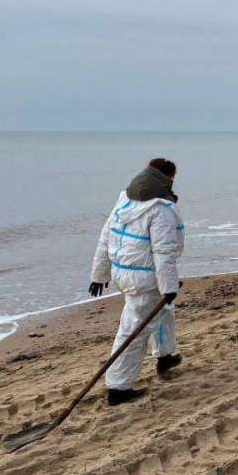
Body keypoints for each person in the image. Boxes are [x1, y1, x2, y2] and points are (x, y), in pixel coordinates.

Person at [90, 158, 185, 406]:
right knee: (133, 331)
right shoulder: (160, 209)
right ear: (168, 179)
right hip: (145, 278)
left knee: (164, 312)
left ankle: (165, 355)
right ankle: (119, 388)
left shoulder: (125, 199)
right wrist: (169, 287)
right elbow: (163, 252)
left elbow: (105, 236)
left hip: (126, 272)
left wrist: (100, 274)